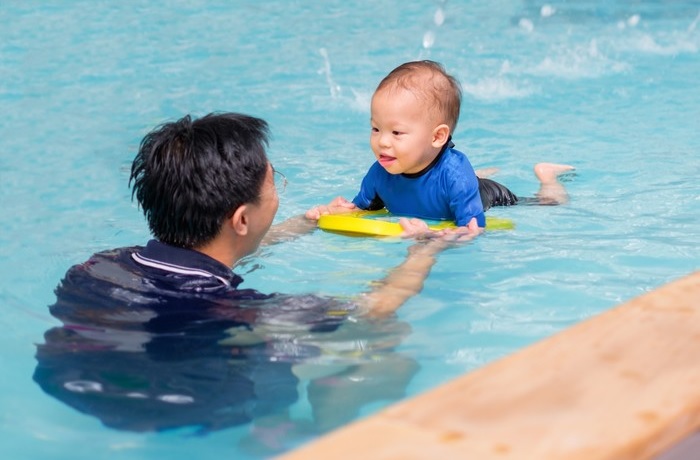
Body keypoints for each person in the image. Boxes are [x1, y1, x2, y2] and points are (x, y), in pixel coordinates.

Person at [34, 112, 470, 437]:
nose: (277, 193)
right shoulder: (252, 314)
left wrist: (304, 223)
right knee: (388, 343)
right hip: (194, 410)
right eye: (273, 182)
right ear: (242, 219)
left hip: (73, 385)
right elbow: (376, 308)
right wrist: (423, 252)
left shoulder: (98, 267)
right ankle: (290, 431)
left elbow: (203, 262)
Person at [305, 60, 574, 235]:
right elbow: (363, 210)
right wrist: (331, 210)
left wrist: (435, 236)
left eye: (396, 132)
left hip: (488, 195)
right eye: (376, 129)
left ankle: (547, 176)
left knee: (548, 204)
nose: (382, 141)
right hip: (449, 180)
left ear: (437, 137)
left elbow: (473, 228)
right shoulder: (380, 172)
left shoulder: (455, 176)